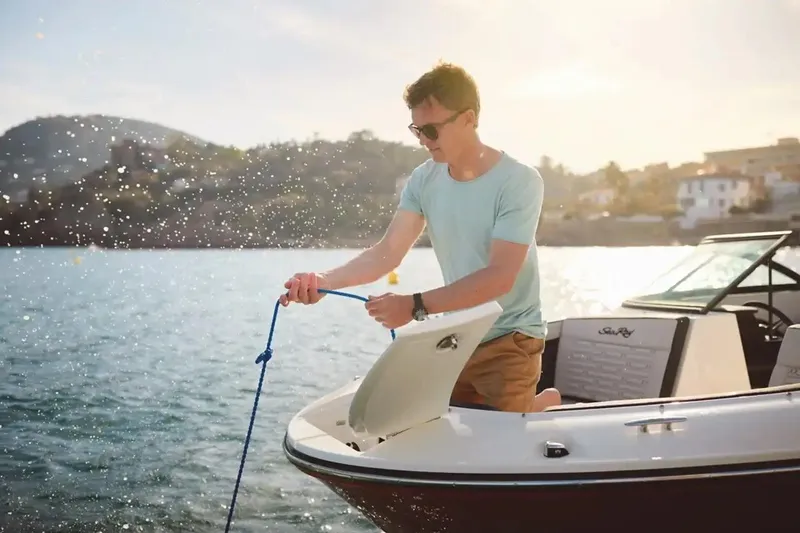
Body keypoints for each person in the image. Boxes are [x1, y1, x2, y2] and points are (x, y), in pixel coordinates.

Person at [280, 61, 561, 413]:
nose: (424, 141)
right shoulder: (423, 180)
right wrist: (323, 280)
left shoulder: (519, 181)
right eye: (417, 130)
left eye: (432, 130)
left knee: (497, 449)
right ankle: (537, 404)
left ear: (468, 118)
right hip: (458, 334)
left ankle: (538, 405)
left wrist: (414, 306)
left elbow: (500, 277)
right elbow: (387, 253)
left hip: (511, 337)